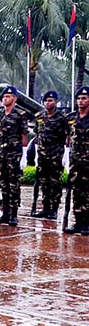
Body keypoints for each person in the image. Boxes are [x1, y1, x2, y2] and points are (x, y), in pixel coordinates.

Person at [0, 86, 29, 226]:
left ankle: (13, 214)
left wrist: (24, 155)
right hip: (2, 154)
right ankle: (5, 213)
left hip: (14, 155)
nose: (5, 98)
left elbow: (24, 135)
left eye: (9, 96)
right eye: (4, 96)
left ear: (15, 98)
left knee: (14, 185)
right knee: (3, 185)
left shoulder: (20, 115)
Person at [31, 90, 68, 219]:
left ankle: (54, 209)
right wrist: (36, 153)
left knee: (55, 183)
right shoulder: (39, 117)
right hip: (42, 156)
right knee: (44, 182)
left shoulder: (62, 118)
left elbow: (67, 137)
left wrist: (66, 154)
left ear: (56, 102)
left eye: (50, 100)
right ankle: (45, 208)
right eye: (46, 101)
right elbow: (37, 135)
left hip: (55, 155)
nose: (47, 103)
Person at [63, 87, 89, 234]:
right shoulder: (71, 118)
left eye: (84, 98)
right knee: (77, 192)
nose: (81, 101)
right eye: (79, 98)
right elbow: (68, 138)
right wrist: (67, 155)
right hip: (76, 161)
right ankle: (78, 222)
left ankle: (87, 223)